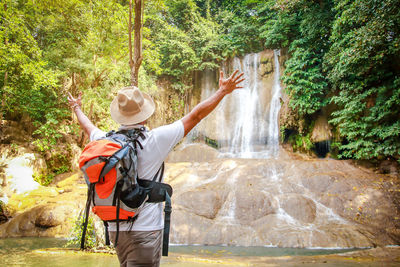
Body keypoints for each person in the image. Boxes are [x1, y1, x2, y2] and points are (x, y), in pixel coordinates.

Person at [68, 70, 244, 267]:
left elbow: (89, 128)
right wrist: (222, 91)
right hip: (146, 229)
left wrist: (76, 108)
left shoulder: (105, 141)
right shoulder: (155, 140)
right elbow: (196, 116)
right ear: (144, 115)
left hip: (116, 228)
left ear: (119, 116)